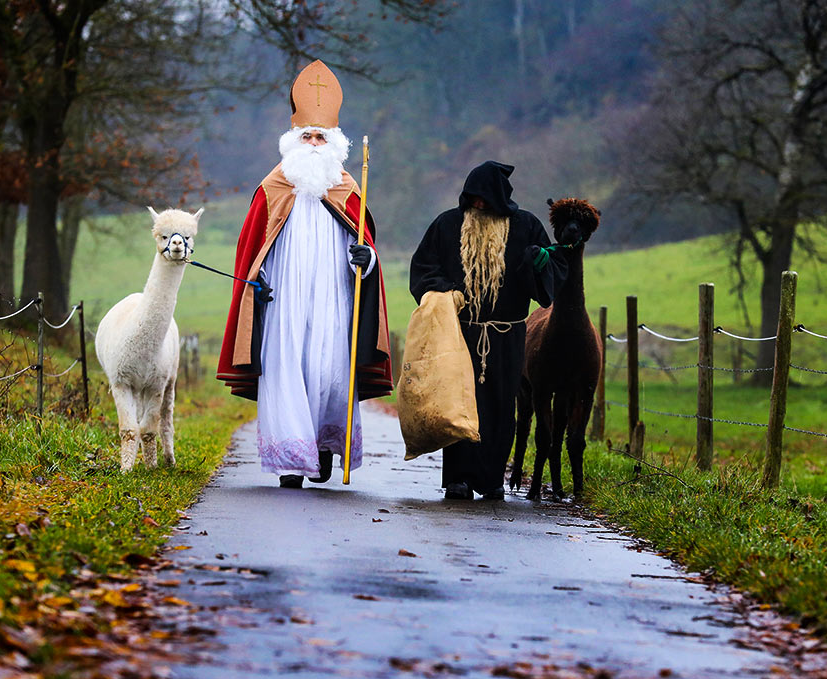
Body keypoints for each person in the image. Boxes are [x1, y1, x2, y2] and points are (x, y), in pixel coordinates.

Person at [216, 60, 392, 488]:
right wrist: (255, 284)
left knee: (330, 370)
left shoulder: (349, 188)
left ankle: (324, 445)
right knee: (288, 369)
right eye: (307, 136)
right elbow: (251, 249)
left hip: (334, 298)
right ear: (293, 141)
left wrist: (366, 260)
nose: (314, 144)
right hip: (284, 302)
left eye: (321, 137)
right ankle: (293, 460)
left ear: (334, 143)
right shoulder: (272, 188)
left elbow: (369, 250)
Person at [409, 161, 567, 501]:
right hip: (459, 333)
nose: (479, 206)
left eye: (486, 200)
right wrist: (445, 291)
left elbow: (553, 266)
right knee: (458, 404)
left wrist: (542, 262)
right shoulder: (448, 224)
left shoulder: (525, 225)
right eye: (474, 199)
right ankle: (458, 478)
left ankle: (492, 477)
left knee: (499, 405)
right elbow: (423, 267)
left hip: (508, 335)